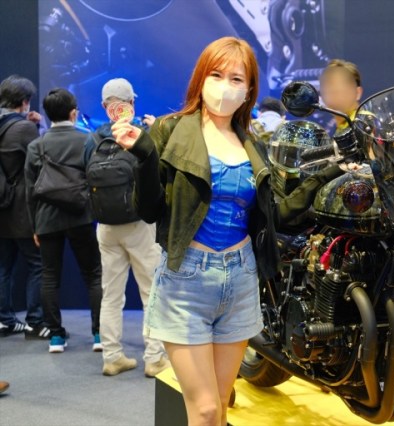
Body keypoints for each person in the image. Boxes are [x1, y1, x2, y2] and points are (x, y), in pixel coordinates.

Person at [111, 37, 343, 426]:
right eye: (216, 75)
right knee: (203, 411)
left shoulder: (253, 144)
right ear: (201, 78)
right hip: (186, 282)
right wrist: (145, 156)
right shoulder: (171, 130)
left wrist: (328, 172)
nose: (225, 86)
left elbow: (279, 214)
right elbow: (147, 209)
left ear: (249, 89)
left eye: (236, 78)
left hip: (241, 280)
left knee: (220, 405)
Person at [84, 78, 168, 377]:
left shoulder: (92, 139)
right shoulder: (140, 135)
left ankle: (112, 357)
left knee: (111, 295)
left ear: (104, 106)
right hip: (140, 225)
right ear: (131, 103)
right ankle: (154, 358)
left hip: (105, 226)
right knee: (151, 292)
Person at [24, 88, 103, 353]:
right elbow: (96, 179)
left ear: (47, 114)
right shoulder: (88, 139)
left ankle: (56, 337)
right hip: (82, 216)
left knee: (49, 276)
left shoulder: (36, 146)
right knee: (93, 275)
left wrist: (35, 226)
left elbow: (30, 191)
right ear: (73, 113)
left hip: (46, 219)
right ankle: (99, 333)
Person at [0, 75, 49, 339]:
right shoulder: (23, 129)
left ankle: (4, 320)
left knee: (3, 266)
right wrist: (40, 126)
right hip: (21, 209)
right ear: (24, 101)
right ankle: (35, 322)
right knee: (37, 264)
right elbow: (42, 159)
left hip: (1, 208)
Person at [319, 59, 364, 133]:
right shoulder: (334, 128)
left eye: (340, 91)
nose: (336, 99)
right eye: (330, 92)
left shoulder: (365, 124)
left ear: (358, 93)